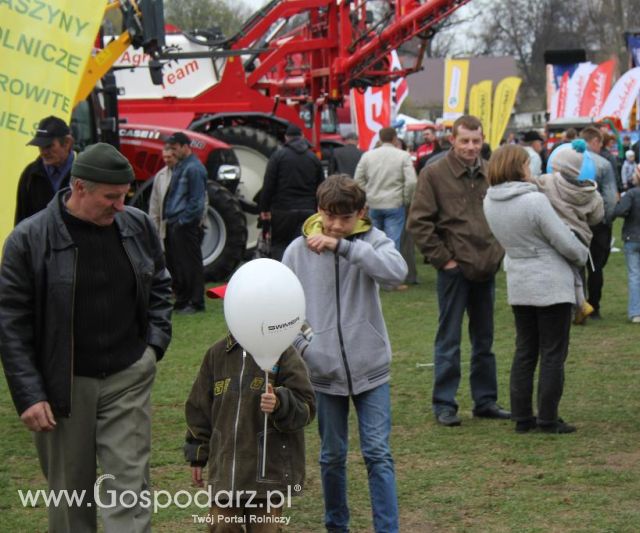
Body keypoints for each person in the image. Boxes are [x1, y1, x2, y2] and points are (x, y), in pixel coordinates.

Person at [0, 142, 173, 531]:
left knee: (128, 493)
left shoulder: (137, 226)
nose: (119, 206)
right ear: (79, 188)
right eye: (110, 197)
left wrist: (153, 348)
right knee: (69, 497)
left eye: (124, 196)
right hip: (63, 386)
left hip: (128, 375)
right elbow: (11, 323)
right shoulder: (28, 240)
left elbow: (160, 285)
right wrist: (29, 394)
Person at [282, 175, 406, 533]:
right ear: (318, 211)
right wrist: (307, 348)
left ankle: (388, 528)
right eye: (329, 216)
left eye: (345, 218)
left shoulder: (373, 241)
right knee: (331, 456)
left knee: (378, 454)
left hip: (371, 368)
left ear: (361, 213)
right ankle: (336, 525)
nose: (336, 225)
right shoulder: (296, 251)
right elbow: (284, 307)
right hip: (323, 372)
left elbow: (396, 272)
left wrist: (345, 247)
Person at [185, 286, 315, 532]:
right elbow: (199, 408)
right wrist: (197, 454)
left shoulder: (284, 353)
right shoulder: (215, 355)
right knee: (222, 526)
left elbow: (306, 406)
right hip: (225, 473)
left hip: (268, 475)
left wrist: (280, 403)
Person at [407, 114, 509, 427]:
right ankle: (444, 403)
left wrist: (497, 251)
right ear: (452, 140)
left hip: (485, 266)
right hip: (454, 270)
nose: (470, 147)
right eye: (464, 140)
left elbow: (503, 212)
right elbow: (419, 223)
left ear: (482, 140)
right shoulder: (434, 173)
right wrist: (444, 260)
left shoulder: (492, 171)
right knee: (449, 339)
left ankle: (486, 400)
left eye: (476, 141)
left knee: (484, 340)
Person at [483, 144, 588, 434]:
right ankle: (548, 417)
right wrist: (581, 253)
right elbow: (563, 242)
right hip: (550, 282)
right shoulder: (534, 202)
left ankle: (522, 416)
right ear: (518, 167)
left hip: (519, 280)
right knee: (553, 353)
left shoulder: (490, 201)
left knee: (525, 351)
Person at [535, 139, 604, 325]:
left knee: (558, 275)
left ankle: (572, 306)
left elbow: (533, 189)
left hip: (555, 235)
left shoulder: (547, 182)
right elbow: (597, 217)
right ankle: (581, 305)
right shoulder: (591, 192)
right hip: (580, 238)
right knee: (577, 272)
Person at [259, 124, 325, 260]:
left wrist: (264, 209)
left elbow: (268, 185)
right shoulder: (313, 158)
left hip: (282, 211)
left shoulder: (278, 157)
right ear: (302, 136)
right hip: (308, 211)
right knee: (305, 248)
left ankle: (282, 276)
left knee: (280, 246)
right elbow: (322, 187)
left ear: (286, 138)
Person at [163, 132, 208, 314]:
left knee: (190, 264)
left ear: (184, 146)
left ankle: (195, 302)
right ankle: (183, 300)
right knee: (179, 264)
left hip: (185, 225)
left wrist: (183, 221)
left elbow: (197, 201)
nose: (172, 153)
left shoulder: (194, 168)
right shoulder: (183, 166)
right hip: (177, 223)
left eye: (174, 148)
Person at [354, 127, 417, 251]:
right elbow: (412, 181)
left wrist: (367, 196)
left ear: (380, 138)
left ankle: (372, 268)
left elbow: (358, 180)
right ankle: (391, 268)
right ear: (395, 139)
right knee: (392, 244)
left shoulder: (367, 155)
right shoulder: (403, 156)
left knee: (373, 241)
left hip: (373, 203)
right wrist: (406, 199)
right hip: (395, 203)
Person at [580, 126, 619, 319]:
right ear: (594, 141)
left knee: (576, 264)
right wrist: (607, 219)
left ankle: (578, 305)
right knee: (596, 266)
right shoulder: (603, 164)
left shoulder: (566, 160)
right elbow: (610, 198)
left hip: (574, 220)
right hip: (598, 222)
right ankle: (593, 305)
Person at [613, 161, 640, 323]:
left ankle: (636, 312)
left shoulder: (632, 194)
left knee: (634, 275)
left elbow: (619, 210)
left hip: (632, 238)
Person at [15, 115, 75, 225]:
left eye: (49, 146)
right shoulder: (30, 175)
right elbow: (21, 222)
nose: (43, 152)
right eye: (40, 146)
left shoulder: (84, 173)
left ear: (67, 143)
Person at [148, 145, 178, 243]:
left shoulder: (189, 173)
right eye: (164, 157)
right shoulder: (160, 176)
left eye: (168, 157)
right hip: (167, 228)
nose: (166, 160)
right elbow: (154, 205)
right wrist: (154, 228)